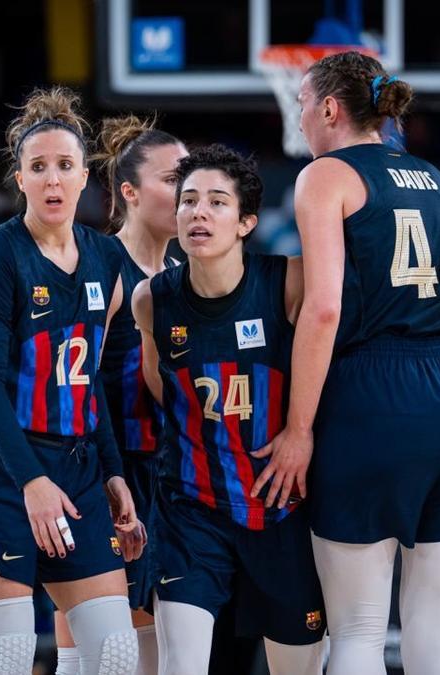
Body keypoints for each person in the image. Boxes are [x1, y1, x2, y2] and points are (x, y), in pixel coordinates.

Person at [269, 51, 440, 674]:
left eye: (300, 104)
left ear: (329, 108)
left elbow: (322, 310)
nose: (298, 118)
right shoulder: (436, 177)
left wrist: (297, 429)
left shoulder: (326, 176)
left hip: (375, 391)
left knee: (359, 633)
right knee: (433, 640)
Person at [0, 87, 141, 675]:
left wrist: (115, 471)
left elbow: (90, 378)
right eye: (38, 166)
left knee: (117, 656)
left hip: (75, 464)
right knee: (10, 659)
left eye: (65, 166)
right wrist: (31, 481)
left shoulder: (106, 258)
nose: (52, 178)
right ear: (18, 179)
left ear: (84, 177)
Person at [131, 144, 327, 675]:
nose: (199, 212)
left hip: (282, 511)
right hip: (191, 513)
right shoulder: (152, 299)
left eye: (217, 202)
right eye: (188, 200)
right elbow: (157, 386)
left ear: (246, 222)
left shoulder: (289, 281)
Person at [47, 114, 188, 675]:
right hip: (106, 471)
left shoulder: (182, 273)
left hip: (169, 476)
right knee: (93, 657)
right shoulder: (103, 267)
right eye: (174, 178)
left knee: (153, 655)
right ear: (129, 192)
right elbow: (75, 384)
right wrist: (99, 476)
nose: (188, 193)